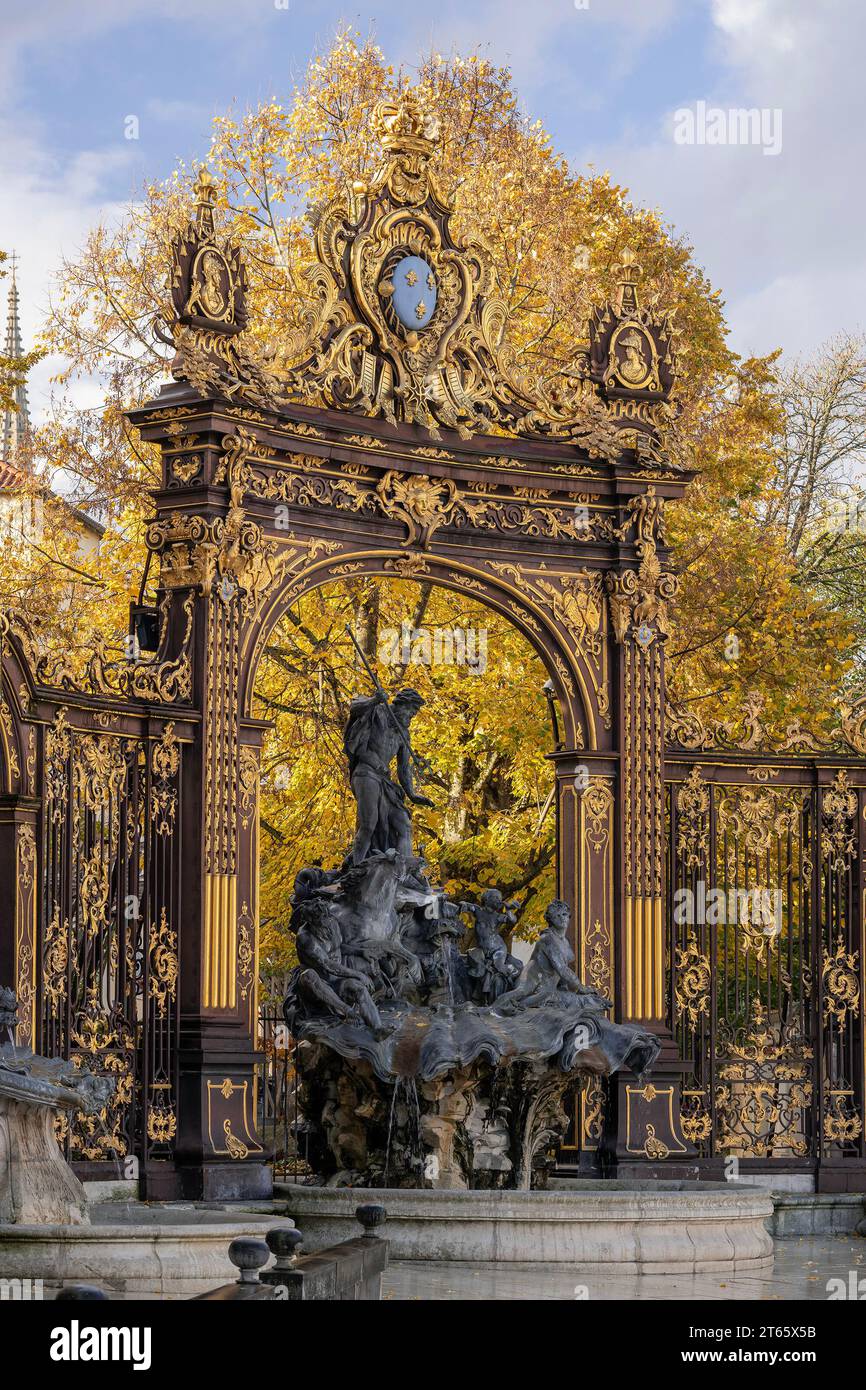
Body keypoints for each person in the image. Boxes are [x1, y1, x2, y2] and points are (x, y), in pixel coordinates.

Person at [343, 688, 433, 862]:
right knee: (369, 823)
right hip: (366, 773)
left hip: (385, 781)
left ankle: (405, 873)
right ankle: (357, 869)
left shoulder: (403, 734)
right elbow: (354, 708)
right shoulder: (378, 711)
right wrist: (375, 700)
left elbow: (403, 768)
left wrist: (412, 794)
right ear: (401, 704)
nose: (413, 715)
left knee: (404, 823)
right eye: (411, 710)